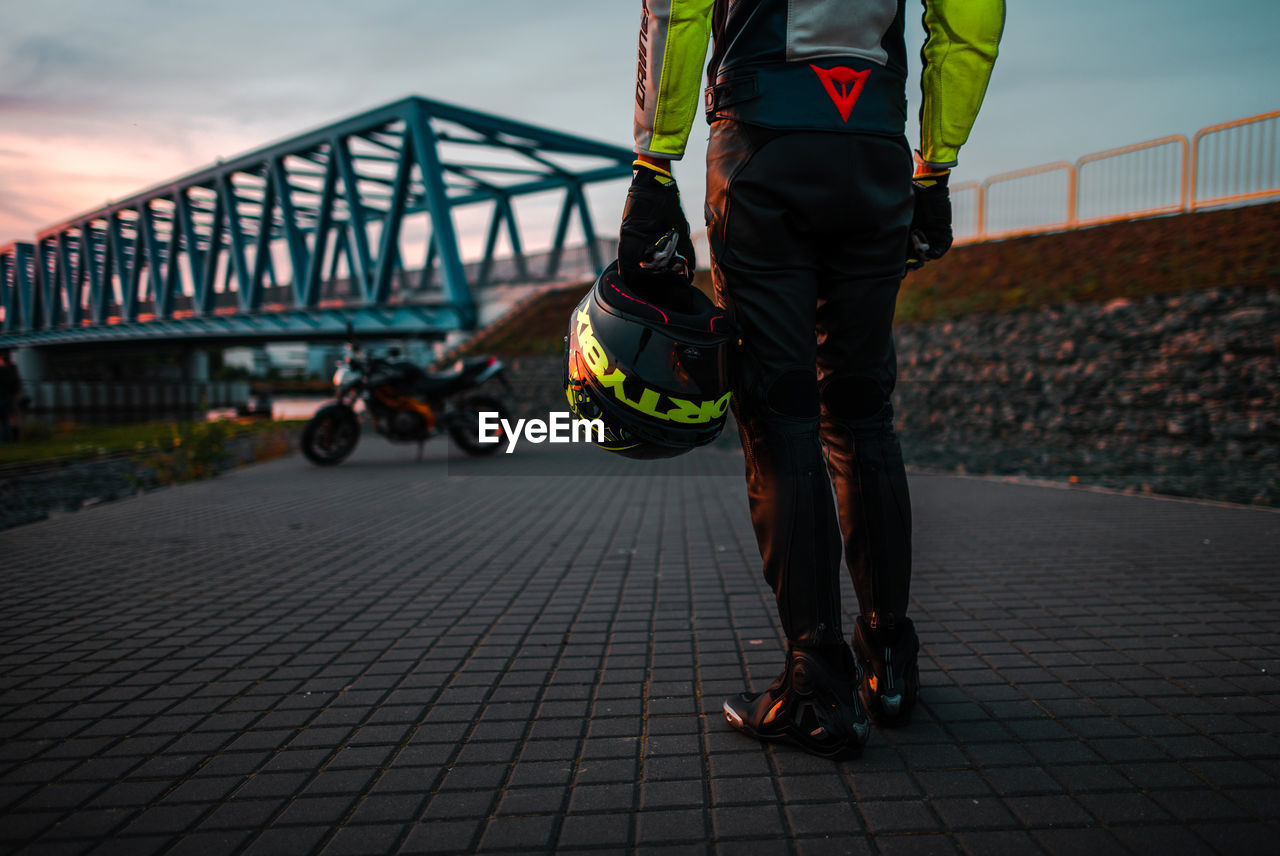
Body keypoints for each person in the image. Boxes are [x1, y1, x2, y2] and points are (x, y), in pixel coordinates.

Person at [619, 1, 1003, 759]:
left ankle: (815, 684)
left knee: (781, 412)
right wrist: (937, 166)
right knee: (862, 411)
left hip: (762, 144)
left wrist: (652, 162)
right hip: (873, 148)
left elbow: (676, 8)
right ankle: (888, 659)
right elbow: (970, 22)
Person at [0, 351, 21, 443]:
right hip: (9, 396)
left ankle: (5, 440)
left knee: (3, 420)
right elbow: (15, 383)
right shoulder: (12, 369)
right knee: (8, 419)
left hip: (3, 396)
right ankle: (10, 439)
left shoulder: (3, 371)